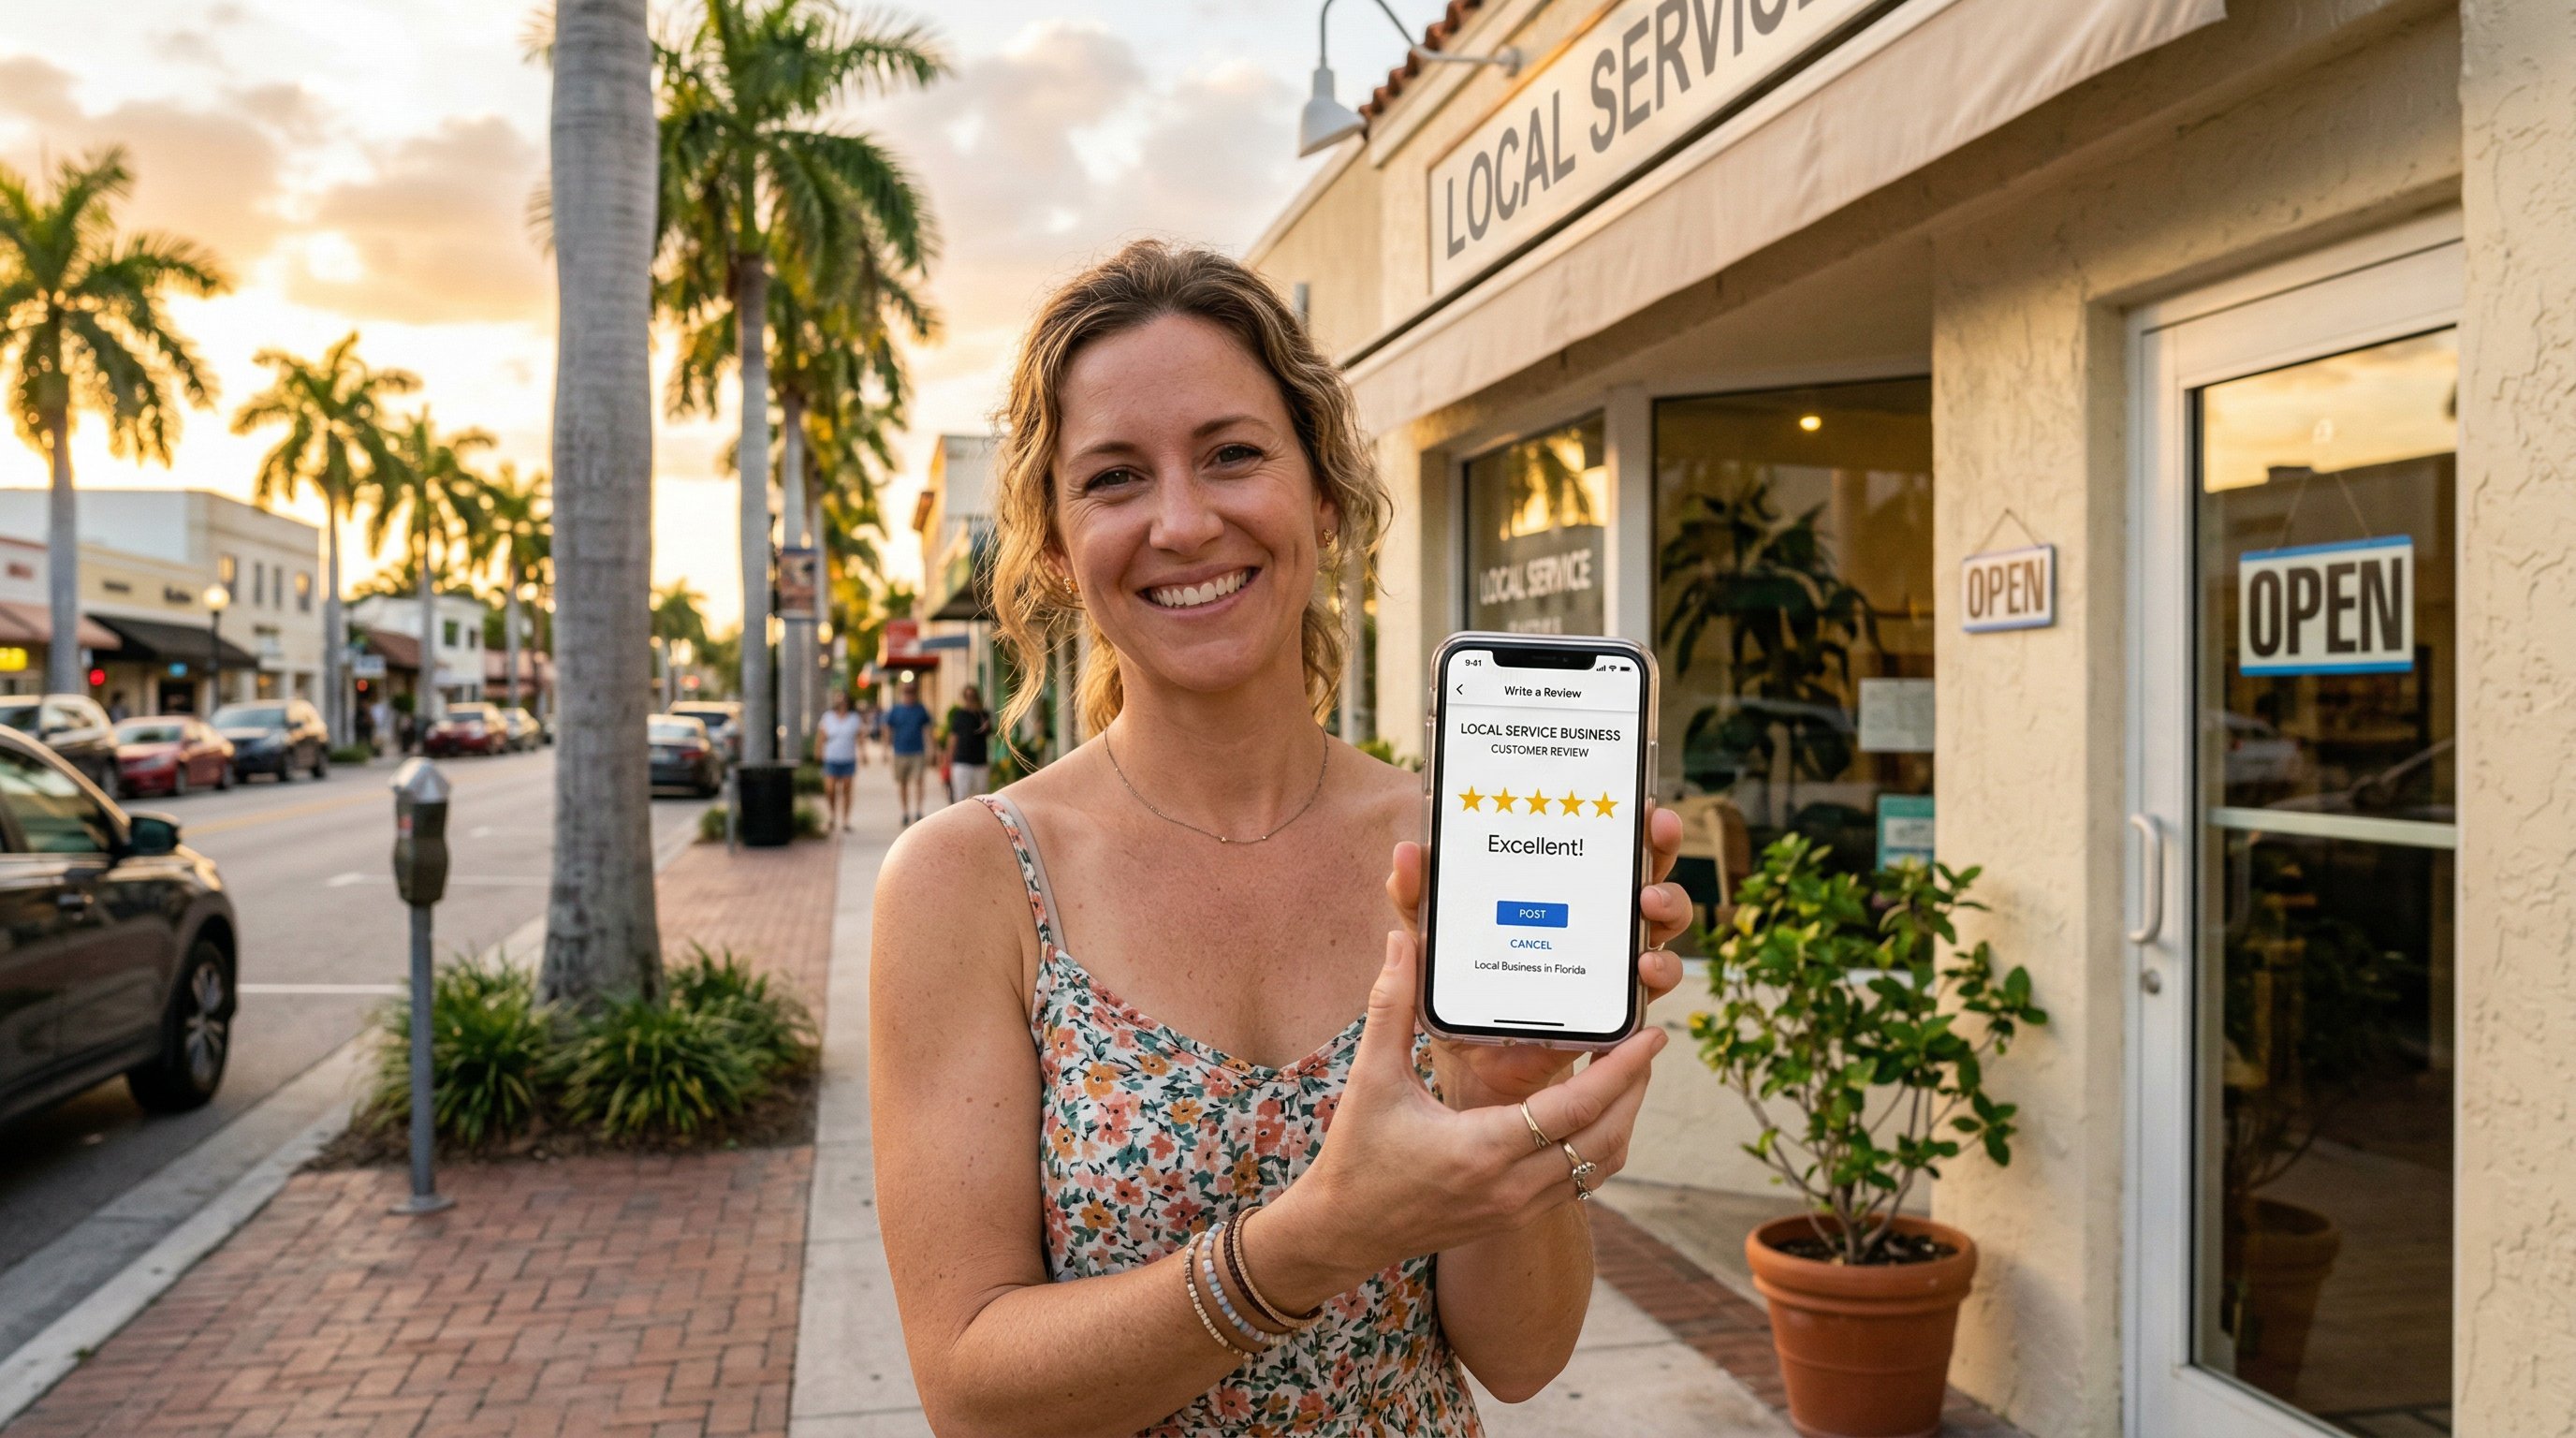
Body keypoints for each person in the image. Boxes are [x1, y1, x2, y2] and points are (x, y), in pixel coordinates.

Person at [869, 241, 1691, 1436]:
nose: (1185, 521)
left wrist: (1505, 1092)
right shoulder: (974, 879)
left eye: (1232, 454)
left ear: (1320, 490)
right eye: (1113, 478)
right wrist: (1312, 1244)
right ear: (1053, 544)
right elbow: (971, 1393)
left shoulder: (1444, 851)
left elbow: (1517, 1360)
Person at [883, 680, 933, 824]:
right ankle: (905, 812)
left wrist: (931, 749)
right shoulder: (896, 710)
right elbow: (888, 729)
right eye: (906, 692)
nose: (909, 695)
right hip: (900, 751)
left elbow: (927, 730)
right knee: (903, 783)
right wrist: (886, 750)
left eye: (911, 692)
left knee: (918, 781)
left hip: (917, 751)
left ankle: (918, 810)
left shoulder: (920, 709)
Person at [815, 690, 867, 831]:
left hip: (848, 758)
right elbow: (821, 736)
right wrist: (818, 751)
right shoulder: (828, 717)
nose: (842, 702)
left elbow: (860, 737)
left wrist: (863, 753)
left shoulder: (854, 718)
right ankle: (832, 815)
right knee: (830, 789)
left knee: (846, 789)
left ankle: (845, 820)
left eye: (844, 699)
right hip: (831, 758)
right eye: (839, 699)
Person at [944, 684, 994, 800]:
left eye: (973, 697)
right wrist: (948, 757)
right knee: (961, 796)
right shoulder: (960, 715)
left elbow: (989, 732)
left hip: (980, 761)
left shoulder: (983, 714)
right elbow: (953, 736)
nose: (970, 699)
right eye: (968, 697)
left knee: (981, 796)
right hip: (962, 760)